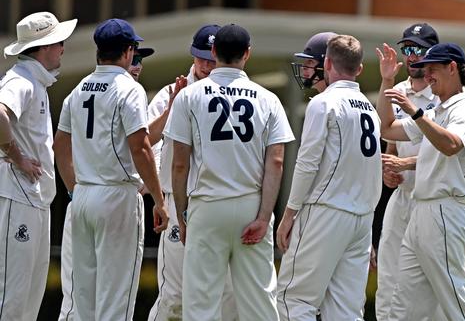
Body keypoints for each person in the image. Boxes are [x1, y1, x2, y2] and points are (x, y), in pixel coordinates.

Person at [165, 23, 294, 321]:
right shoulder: (267, 98)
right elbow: (276, 162)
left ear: (213, 52)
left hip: (207, 206)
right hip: (251, 205)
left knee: (201, 303)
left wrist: (183, 216)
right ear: (247, 54)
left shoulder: (189, 96)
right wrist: (264, 218)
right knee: (259, 301)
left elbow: (180, 163)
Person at [53, 18, 169, 320]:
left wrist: (73, 189)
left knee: (84, 297)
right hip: (117, 197)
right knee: (116, 298)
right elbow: (141, 147)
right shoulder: (128, 89)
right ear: (129, 51)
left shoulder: (78, 90)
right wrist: (158, 198)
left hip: (83, 197)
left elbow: (60, 145)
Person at [276, 35, 382, 321]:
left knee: (293, 301)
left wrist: (289, 214)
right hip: (360, 218)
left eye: (311, 63)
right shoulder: (370, 109)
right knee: (346, 311)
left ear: (327, 62)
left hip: (325, 212)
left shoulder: (324, 103)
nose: (307, 71)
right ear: (358, 69)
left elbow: (307, 163)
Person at [376, 42, 465, 321]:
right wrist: (387, 80)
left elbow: (451, 146)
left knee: (455, 304)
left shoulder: (464, 111)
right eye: (425, 70)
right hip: (420, 211)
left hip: (445, 212)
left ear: (452, 68)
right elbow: (386, 127)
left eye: (433, 69)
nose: (428, 75)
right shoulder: (437, 112)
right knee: (403, 307)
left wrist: (416, 113)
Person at [147, 24, 239, 321]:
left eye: (211, 60)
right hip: (177, 199)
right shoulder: (171, 92)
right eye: (201, 59)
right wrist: (159, 194)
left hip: (216, 201)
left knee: (223, 294)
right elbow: (146, 141)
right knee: (174, 296)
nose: (207, 66)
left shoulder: (232, 96)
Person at [0, 11, 76, 320]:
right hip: (18, 196)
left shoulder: (36, 82)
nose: (63, 49)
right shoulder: (22, 79)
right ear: (46, 46)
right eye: (59, 43)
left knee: (29, 295)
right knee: (13, 295)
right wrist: (17, 156)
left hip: (34, 199)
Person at [375, 23, 442, 321]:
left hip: (431, 199)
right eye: (407, 50)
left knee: (433, 280)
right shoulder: (398, 91)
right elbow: (387, 132)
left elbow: (444, 150)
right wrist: (390, 166)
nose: (412, 56)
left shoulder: (442, 96)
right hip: (402, 196)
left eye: (418, 49)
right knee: (389, 274)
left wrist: (406, 164)